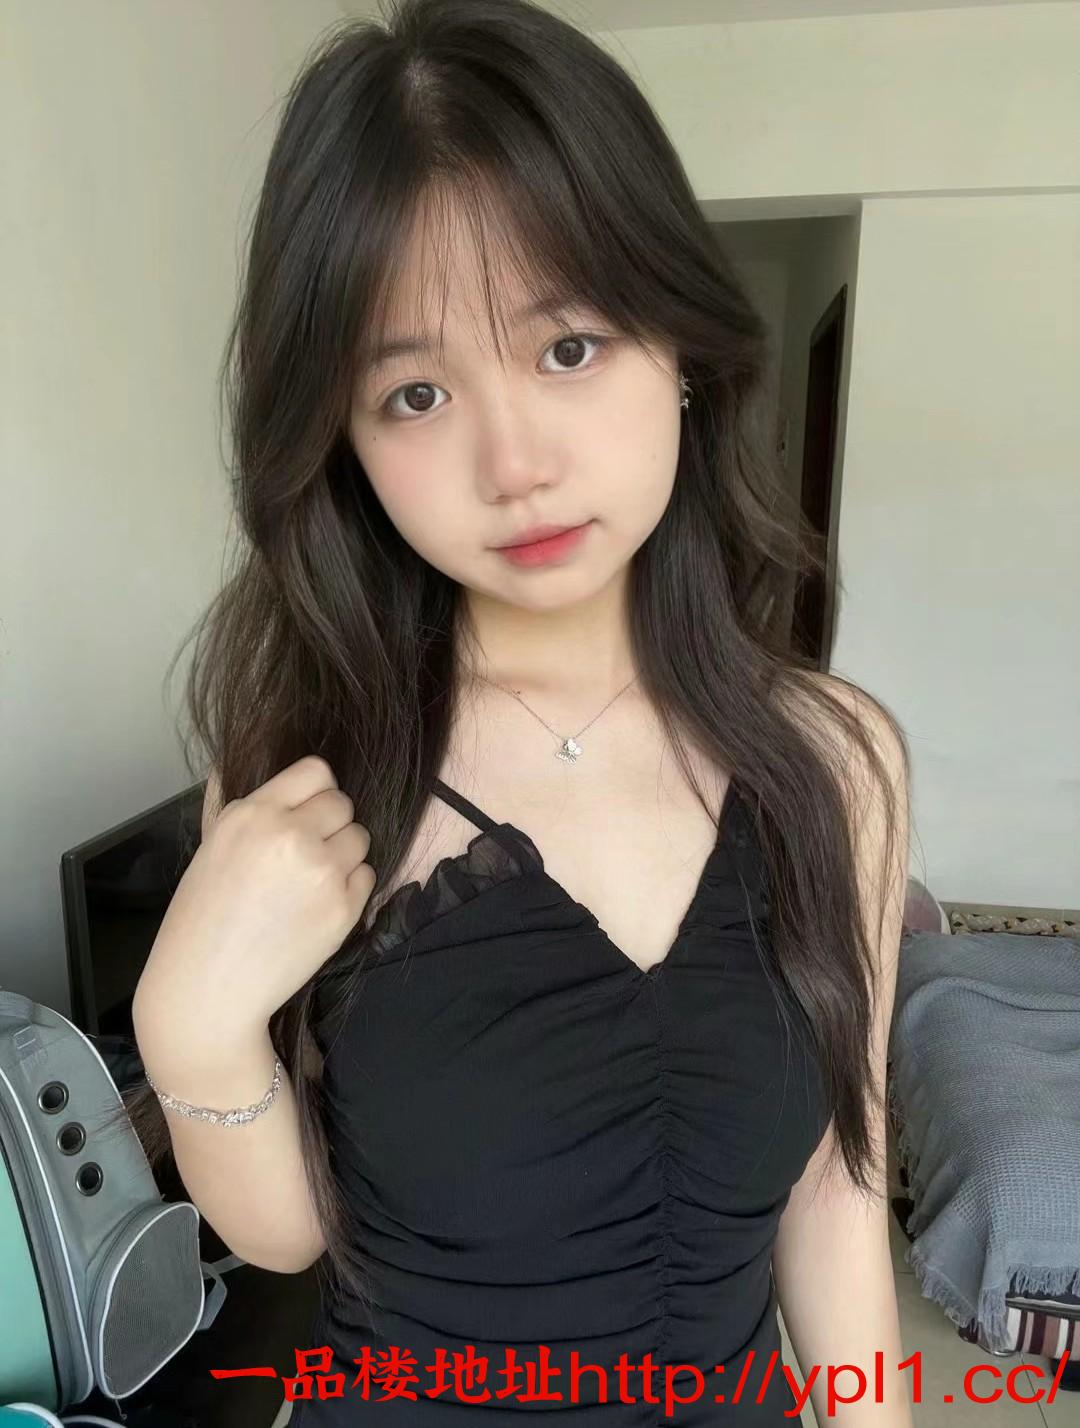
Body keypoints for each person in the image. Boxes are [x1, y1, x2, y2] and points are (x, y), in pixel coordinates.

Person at [125, 1, 913, 1423]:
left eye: (568, 348)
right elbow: (291, 1240)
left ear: (681, 344)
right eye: (417, 391)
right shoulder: (314, 771)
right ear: (343, 442)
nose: (514, 463)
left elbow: (836, 1194)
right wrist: (187, 1029)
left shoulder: (835, 761)